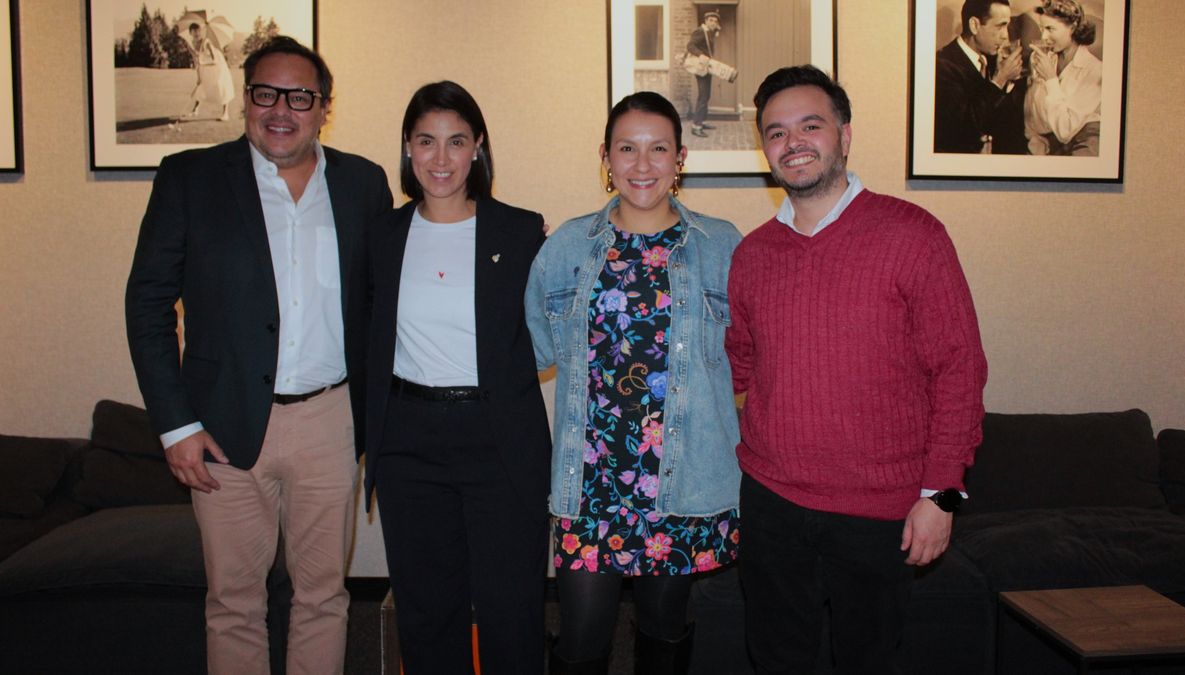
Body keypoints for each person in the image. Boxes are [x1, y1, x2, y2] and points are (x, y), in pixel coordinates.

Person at [125, 36, 392, 675]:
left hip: (330, 423)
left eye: (299, 97)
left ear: (323, 107)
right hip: (220, 425)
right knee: (235, 602)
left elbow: (388, 294)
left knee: (324, 597)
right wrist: (176, 425)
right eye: (266, 93)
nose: (282, 109)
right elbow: (147, 306)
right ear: (247, 101)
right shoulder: (190, 178)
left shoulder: (362, 183)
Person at [726, 65, 987, 674]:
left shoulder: (914, 235)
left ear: (844, 134)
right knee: (774, 660)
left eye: (810, 126)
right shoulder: (753, 255)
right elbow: (736, 368)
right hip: (771, 506)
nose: (793, 142)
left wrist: (942, 497)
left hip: (881, 517)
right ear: (764, 149)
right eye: (775, 132)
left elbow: (960, 373)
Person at [526, 91, 743, 675]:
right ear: (605, 155)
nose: (641, 165)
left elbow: (750, 359)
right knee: (580, 637)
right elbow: (525, 350)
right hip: (590, 481)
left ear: (680, 158)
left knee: (663, 632)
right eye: (627, 148)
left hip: (682, 478)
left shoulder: (722, 245)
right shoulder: (566, 246)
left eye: (657, 149)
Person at [358, 81, 551, 675]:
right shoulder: (381, 236)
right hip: (407, 441)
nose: (440, 159)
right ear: (408, 149)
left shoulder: (520, 232)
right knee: (426, 611)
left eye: (456, 142)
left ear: (478, 148)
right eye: (426, 142)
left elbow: (547, 333)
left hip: (498, 439)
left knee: (511, 610)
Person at [934, 0, 1026, 154]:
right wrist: (999, 80)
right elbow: (962, 129)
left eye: (1007, 26)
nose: (1006, 36)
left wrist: (1009, 82)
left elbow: (1006, 125)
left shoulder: (992, 59)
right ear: (974, 25)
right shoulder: (942, 65)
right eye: (999, 26)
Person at [1024, 0, 1102, 156]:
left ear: (1072, 28)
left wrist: (1050, 79)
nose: (1044, 36)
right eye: (1041, 28)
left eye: (1050, 29)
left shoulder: (1095, 71)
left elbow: (1065, 131)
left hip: (1078, 148)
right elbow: (1032, 112)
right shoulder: (1042, 58)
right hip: (1038, 147)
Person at [180, 22, 235, 121]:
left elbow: (215, 60)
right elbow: (196, 61)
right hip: (205, 66)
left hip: (218, 66)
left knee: (221, 87)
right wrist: (199, 77)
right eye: (194, 31)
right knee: (201, 86)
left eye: (198, 31)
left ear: (201, 32)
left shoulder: (207, 42)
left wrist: (202, 63)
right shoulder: (190, 45)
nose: (196, 33)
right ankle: (195, 109)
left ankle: (225, 113)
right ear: (190, 33)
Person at [686, 11, 722, 138]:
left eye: (715, 21)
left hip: (707, 67)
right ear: (706, 21)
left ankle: (703, 121)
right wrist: (700, 55)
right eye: (710, 20)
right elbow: (690, 45)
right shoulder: (700, 31)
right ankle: (696, 126)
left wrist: (716, 29)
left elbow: (715, 31)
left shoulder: (709, 32)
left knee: (706, 95)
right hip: (701, 67)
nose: (713, 22)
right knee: (703, 96)